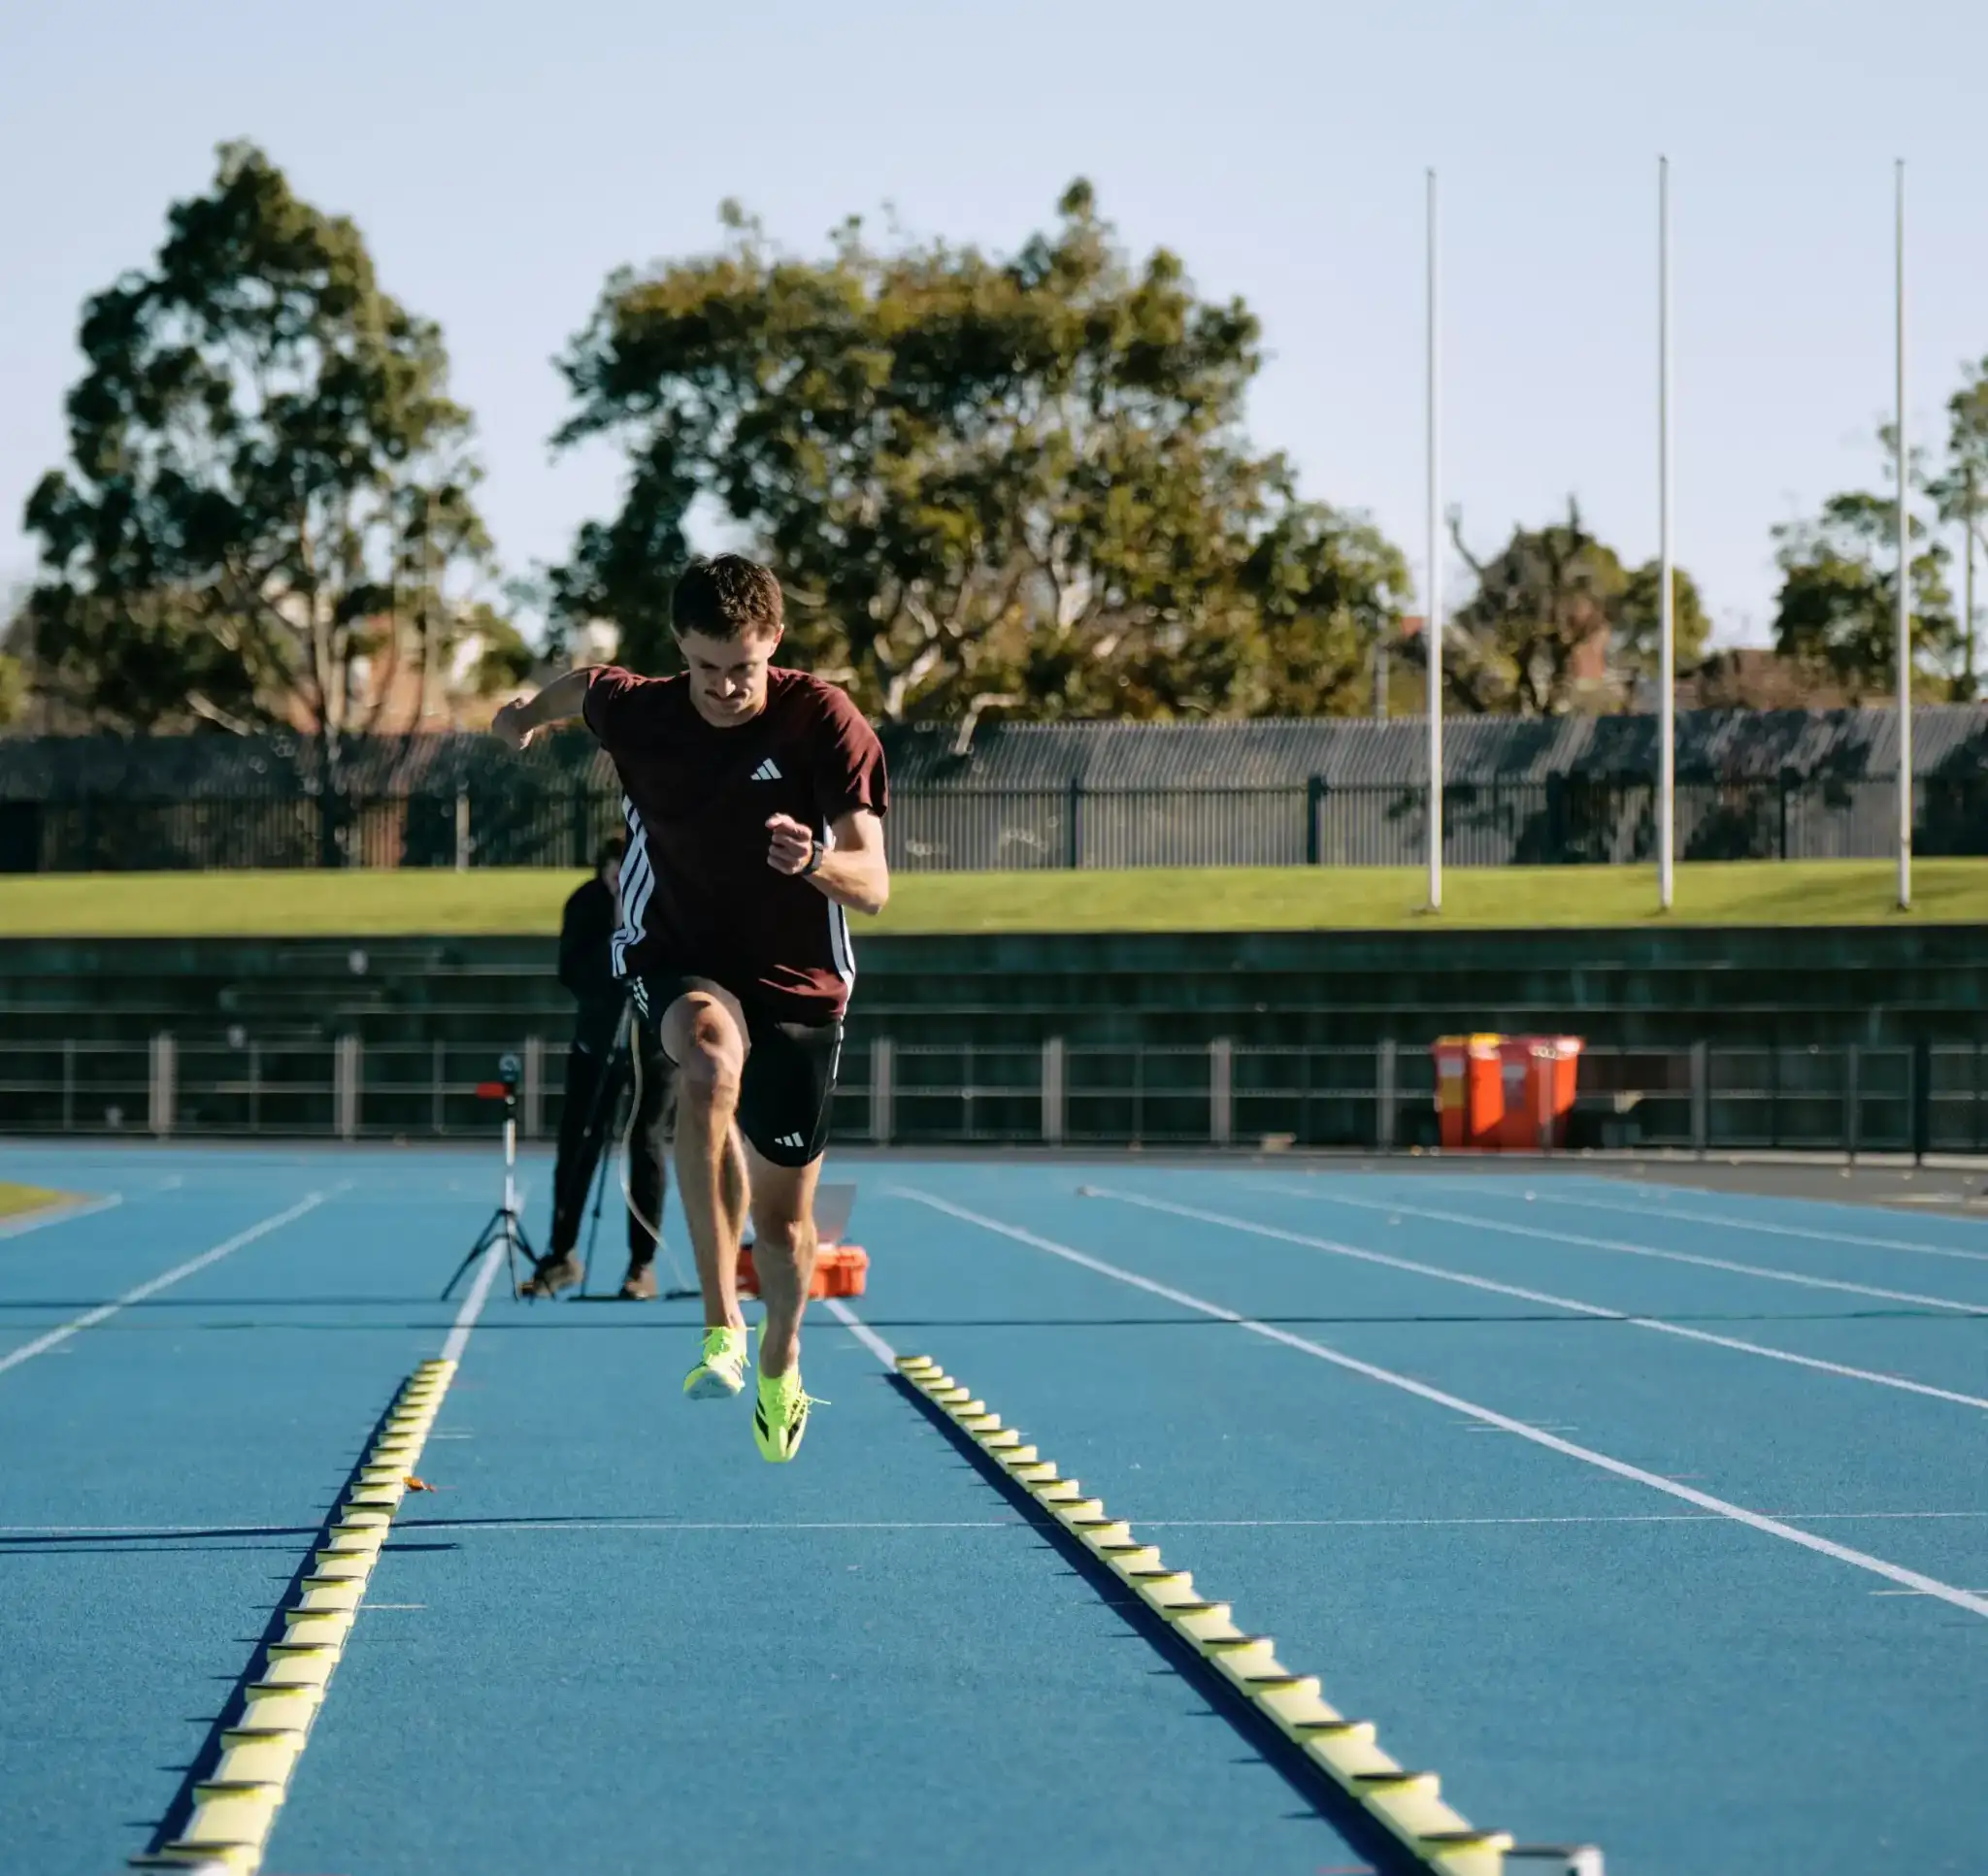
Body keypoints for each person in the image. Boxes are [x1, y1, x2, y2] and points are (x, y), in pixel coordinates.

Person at [492, 554, 890, 1463]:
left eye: (742, 668)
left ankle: (781, 1358)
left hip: (799, 980)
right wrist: (521, 716)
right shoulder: (643, 710)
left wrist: (813, 862)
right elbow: (583, 689)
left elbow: (873, 883)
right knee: (706, 1064)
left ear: (774, 642)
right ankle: (722, 1327)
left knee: (787, 1231)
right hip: (676, 952)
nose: (723, 687)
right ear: (681, 647)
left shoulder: (825, 720)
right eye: (706, 667)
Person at [522, 834, 676, 1301]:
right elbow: (572, 972)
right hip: (595, 1041)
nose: (617, 878)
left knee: (645, 1142)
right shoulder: (585, 905)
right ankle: (562, 1254)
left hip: (650, 1045)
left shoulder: (661, 906)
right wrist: (613, 934)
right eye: (612, 869)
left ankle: (641, 1263)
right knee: (578, 1142)